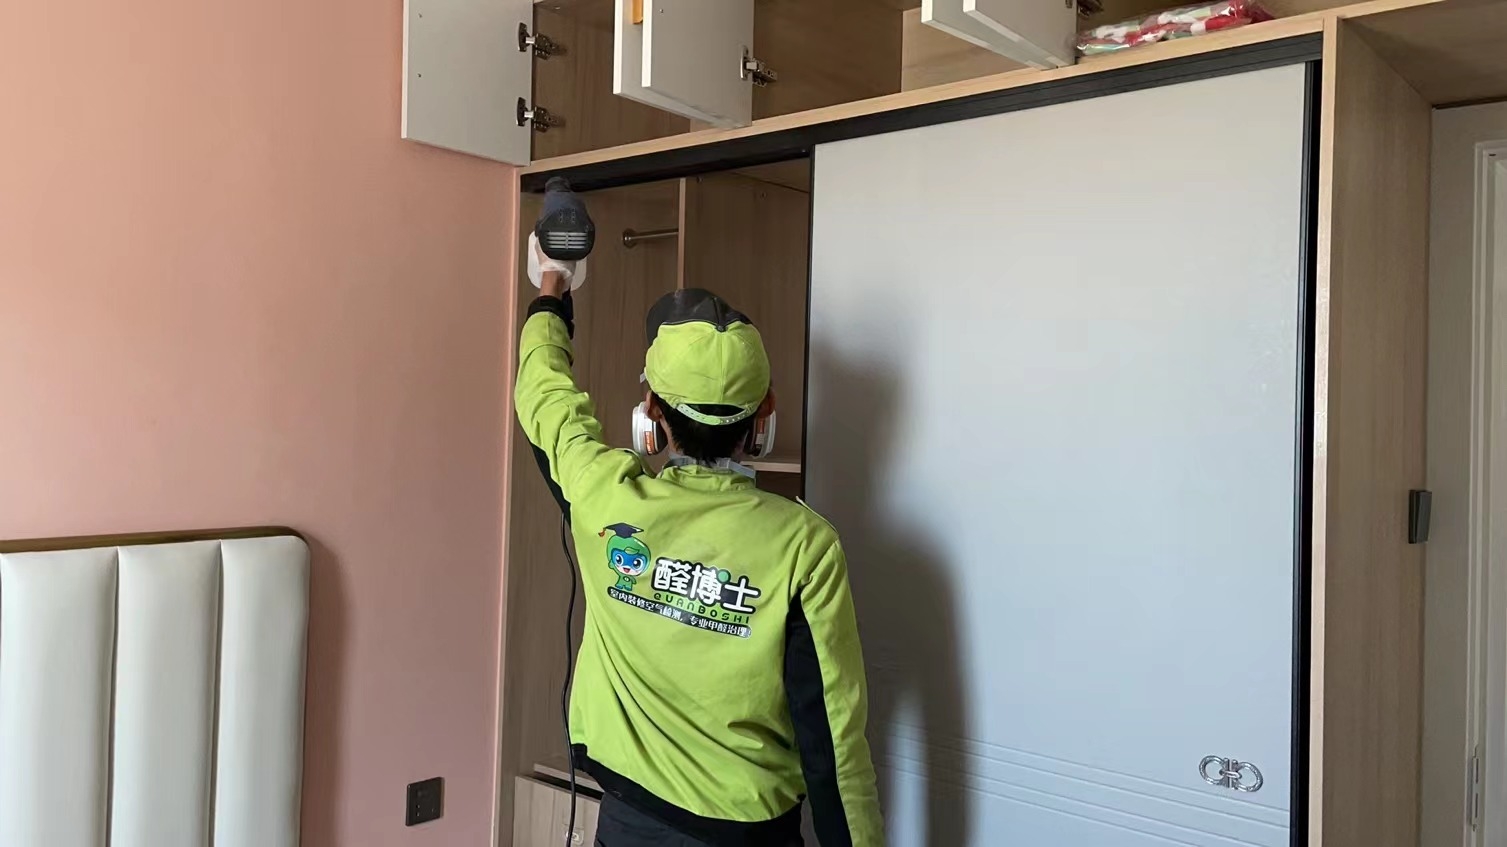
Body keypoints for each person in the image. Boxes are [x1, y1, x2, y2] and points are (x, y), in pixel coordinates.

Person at [515, 251, 883, 847]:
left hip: (625, 825)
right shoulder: (805, 547)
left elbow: (544, 396)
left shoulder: (605, 497)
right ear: (763, 417)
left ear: (651, 414)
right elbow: (834, 747)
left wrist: (553, 285)